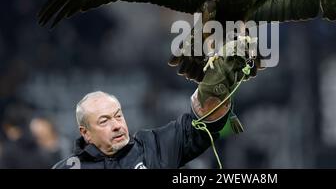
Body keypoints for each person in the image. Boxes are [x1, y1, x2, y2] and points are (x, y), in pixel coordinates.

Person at [52, 56, 252, 169]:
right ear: (85, 132)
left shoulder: (153, 146)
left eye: (118, 115)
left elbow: (198, 128)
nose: (117, 125)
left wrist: (212, 96)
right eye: (104, 121)